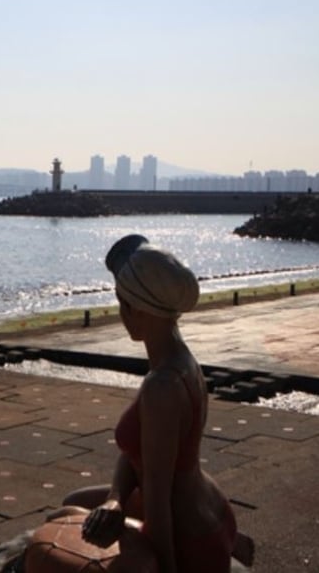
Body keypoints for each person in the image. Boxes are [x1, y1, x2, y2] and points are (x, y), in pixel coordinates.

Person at [60, 234, 252, 573]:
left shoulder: (161, 386)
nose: (120, 314)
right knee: (76, 502)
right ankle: (231, 542)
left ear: (136, 308)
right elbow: (139, 457)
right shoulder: (181, 361)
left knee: (62, 522)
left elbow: (158, 503)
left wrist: (164, 567)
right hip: (208, 506)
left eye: (121, 303)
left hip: (189, 531)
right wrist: (115, 499)